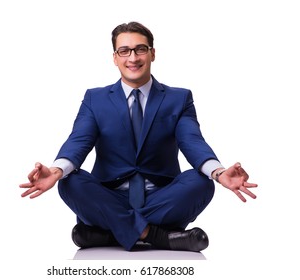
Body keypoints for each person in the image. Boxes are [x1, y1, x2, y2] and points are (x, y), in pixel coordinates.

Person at [19, 21, 258, 252]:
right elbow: (79, 141)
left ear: (152, 53)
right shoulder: (95, 98)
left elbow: (192, 140)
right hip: (109, 195)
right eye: (124, 51)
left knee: (201, 183)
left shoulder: (179, 98)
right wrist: (56, 171)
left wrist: (219, 172)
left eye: (140, 49)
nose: (133, 58)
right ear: (115, 57)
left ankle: (108, 233)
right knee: (70, 182)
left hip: (161, 197)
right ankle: (156, 236)